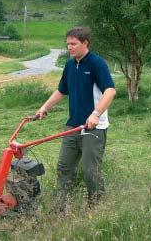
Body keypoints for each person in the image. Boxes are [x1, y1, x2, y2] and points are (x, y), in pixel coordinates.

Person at [36, 27, 116, 208]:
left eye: (73, 44)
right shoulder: (70, 64)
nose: (69, 48)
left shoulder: (97, 63)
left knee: (90, 172)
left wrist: (96, 114)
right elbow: (62, 90)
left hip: (93, 128)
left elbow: (110, 91)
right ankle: (60, 207)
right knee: (64, 168)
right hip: (72, 126)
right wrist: (44, 107)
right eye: (67, 44)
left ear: (85, 43)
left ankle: (96, 208)